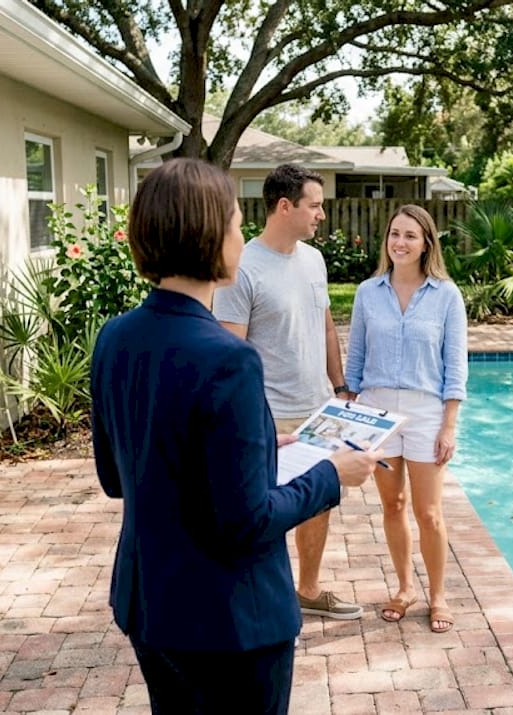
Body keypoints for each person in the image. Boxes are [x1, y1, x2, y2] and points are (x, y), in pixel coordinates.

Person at [90, 158, 382, 714]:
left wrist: (260, 449)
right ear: (207, 236)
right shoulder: (230, 360)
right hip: (231, 621)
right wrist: (332, 475)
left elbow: (116, 476)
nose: (241, 234)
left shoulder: (115, 337)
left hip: (149, 604)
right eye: (232, 222)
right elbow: (246, 522)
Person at [213, 163, 362, 620]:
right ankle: (263, 603)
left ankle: (309, 590)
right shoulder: (244, 268)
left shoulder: (313, 260)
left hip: (320, 409)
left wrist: (340, 388)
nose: (321, 215)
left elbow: (324, 327)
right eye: (314, 206)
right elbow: (230, 350)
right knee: (265, 513)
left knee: (320, 503)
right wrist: (245, 416)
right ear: (284, 206)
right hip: (269, 416)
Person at [343, 204, 467, 634]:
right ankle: (403, 587)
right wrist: (350, 414)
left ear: (426, 243)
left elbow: (455, 366)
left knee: (428, 511)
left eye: (410, 235)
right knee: (392, 504)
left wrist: (449, 425)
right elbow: (355, 359)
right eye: (395, 234)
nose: (400, 242)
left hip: (425, 411)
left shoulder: (447, 296)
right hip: (376, 411)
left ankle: (438, 595)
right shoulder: (367, 292)